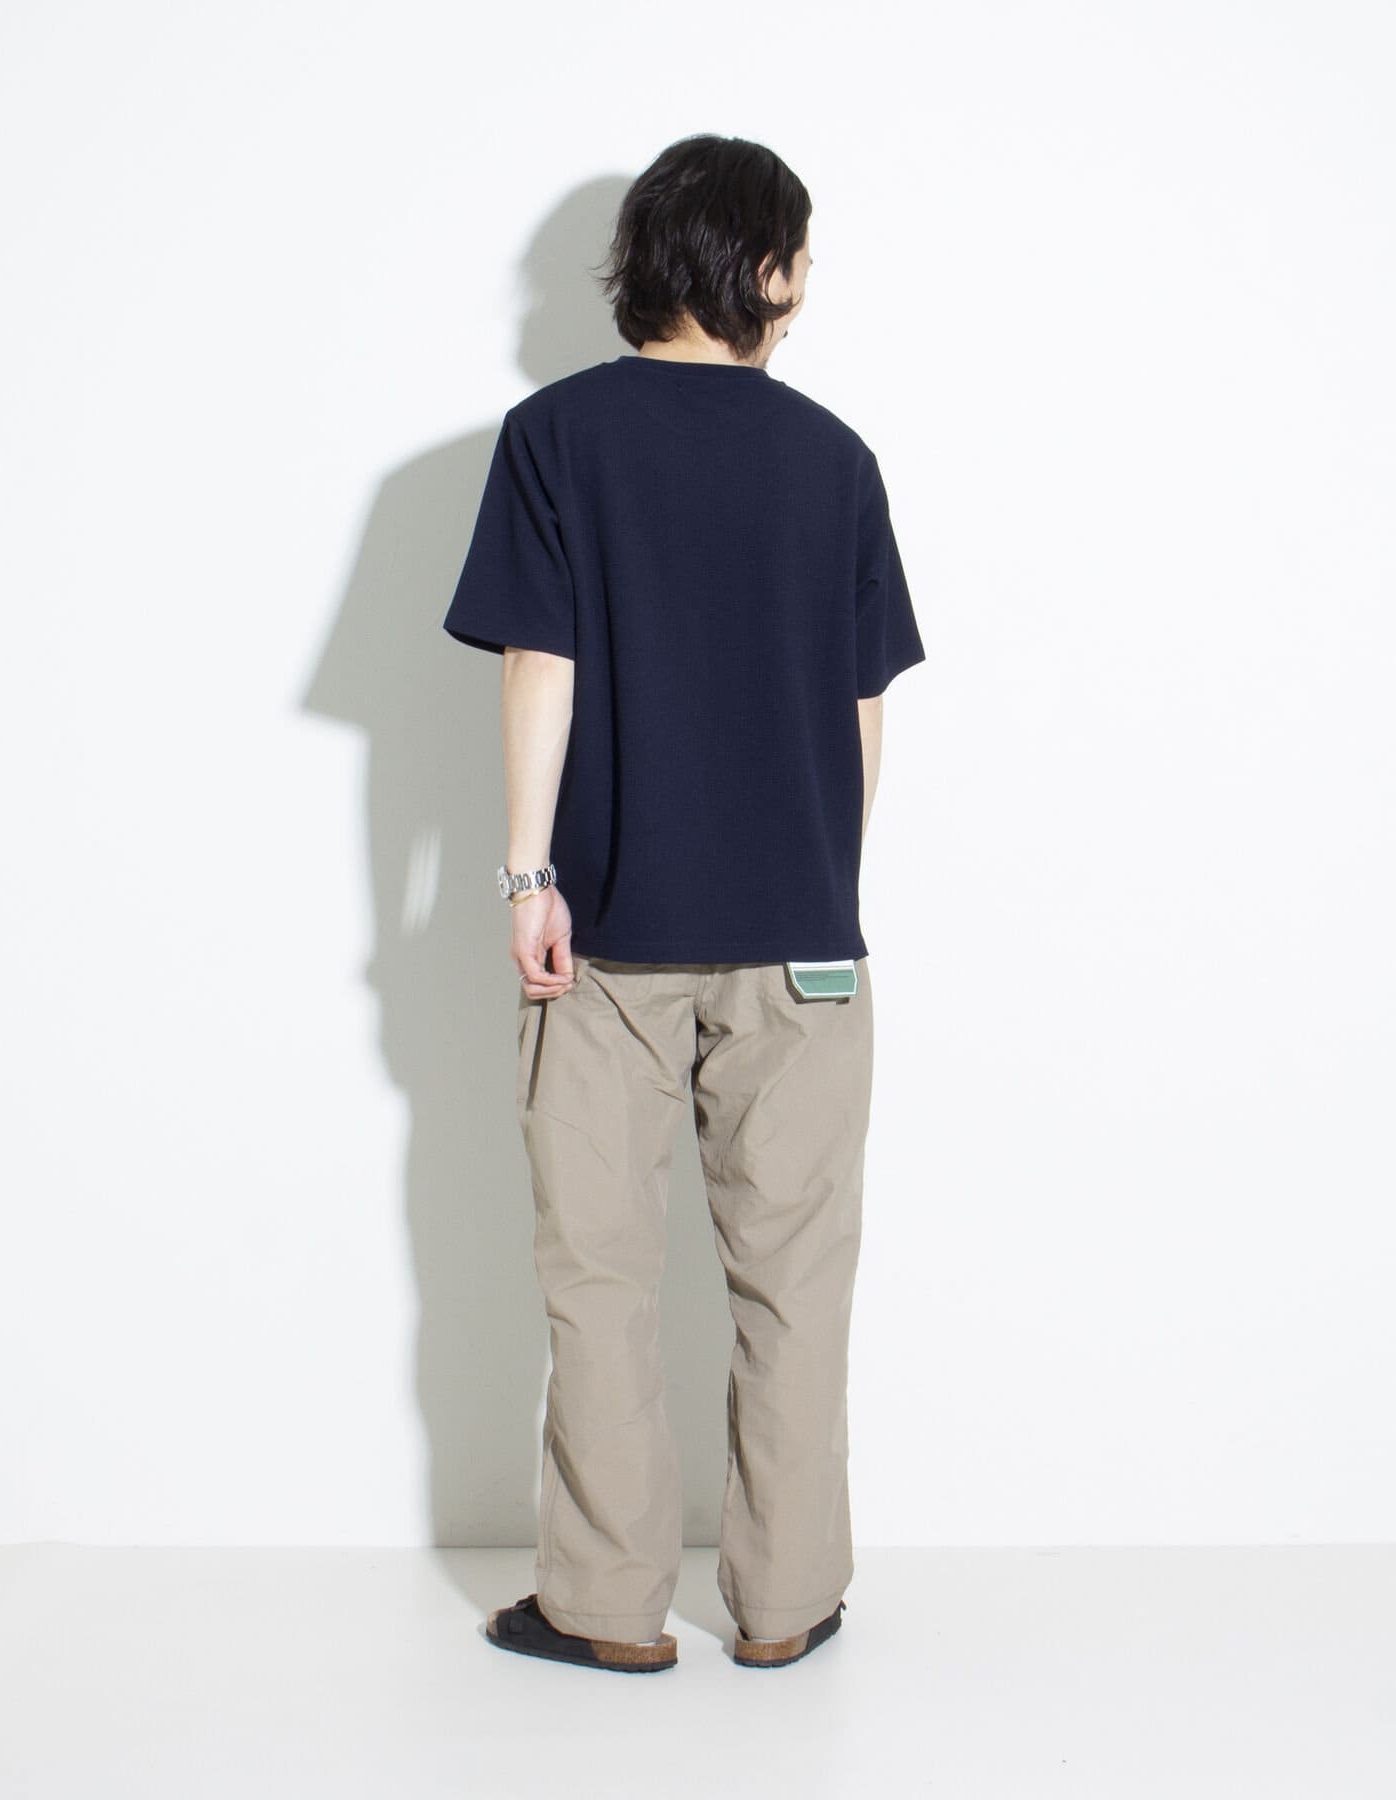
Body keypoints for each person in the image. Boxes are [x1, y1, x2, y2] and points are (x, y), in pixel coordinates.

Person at [443, 133, 926, 1674]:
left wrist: (529, 874)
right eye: (802, 258)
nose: (806, 286)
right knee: (797, 1285)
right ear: (763, 268)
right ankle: (785, 1604)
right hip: (805, 947)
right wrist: (823, 891)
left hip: (605, 941)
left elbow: (543, 661)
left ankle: (604, 1608)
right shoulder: (836, 459)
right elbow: (861, 710)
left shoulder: (557, 438)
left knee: (601, 1283)